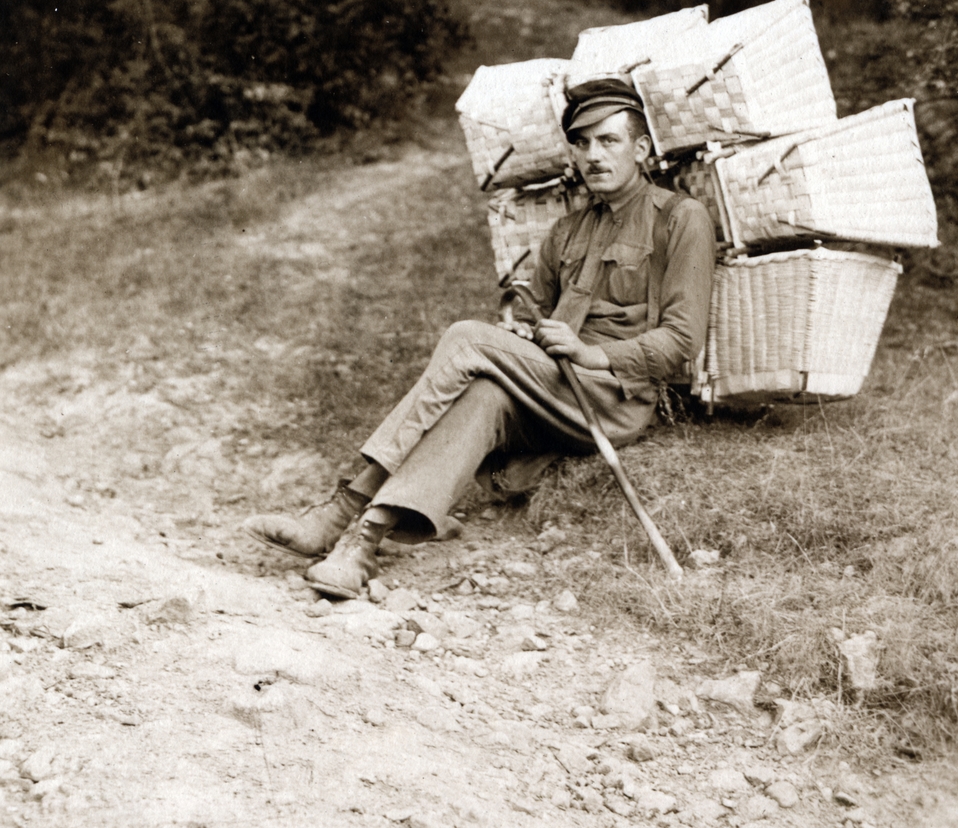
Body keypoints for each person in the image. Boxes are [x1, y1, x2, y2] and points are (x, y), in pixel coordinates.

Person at [243, 78, 717, 598]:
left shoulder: (680, 219)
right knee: (483, 394)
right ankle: (362, 544)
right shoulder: (568, 230)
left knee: (466, 338)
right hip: (551, 388)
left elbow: (682, 341)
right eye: (582, 143)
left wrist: (590, 352)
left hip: (611, 399)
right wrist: (522, 331)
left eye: (608, 140)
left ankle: (338, 511)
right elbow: (534, 316)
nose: (593, 155)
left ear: (641, 149)